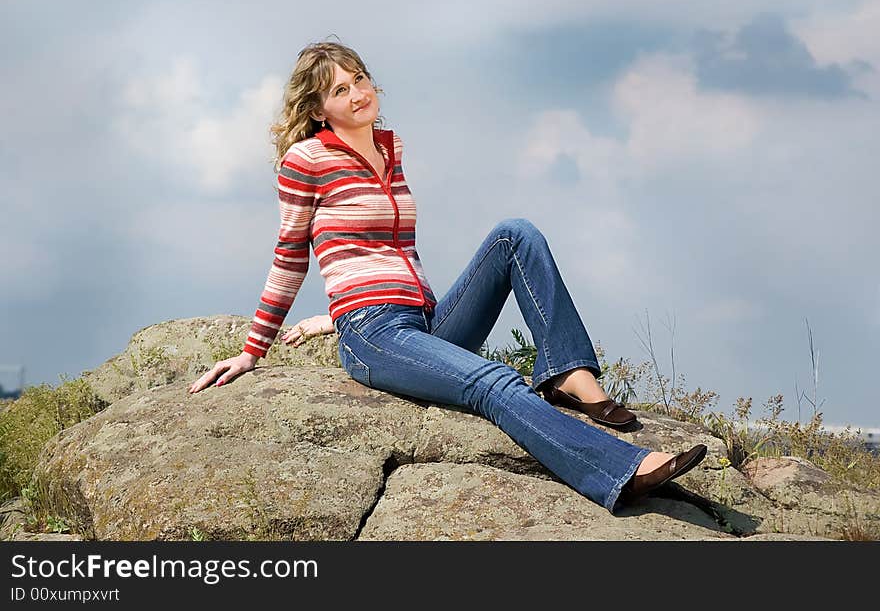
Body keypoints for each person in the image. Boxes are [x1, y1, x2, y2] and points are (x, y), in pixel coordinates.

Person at [188, 40, 707, 513]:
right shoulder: (307, 159)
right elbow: (290, 255)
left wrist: (327, 316)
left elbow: (393, 252)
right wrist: (254, 349)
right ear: (317, 109)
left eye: (359, 80)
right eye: (338, 91)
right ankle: (619, 470)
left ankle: (570, 375)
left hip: (424, 321)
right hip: (375, 332)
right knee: (495, 382)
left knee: (515, 234)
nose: (355, 95)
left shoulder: (390, 150)